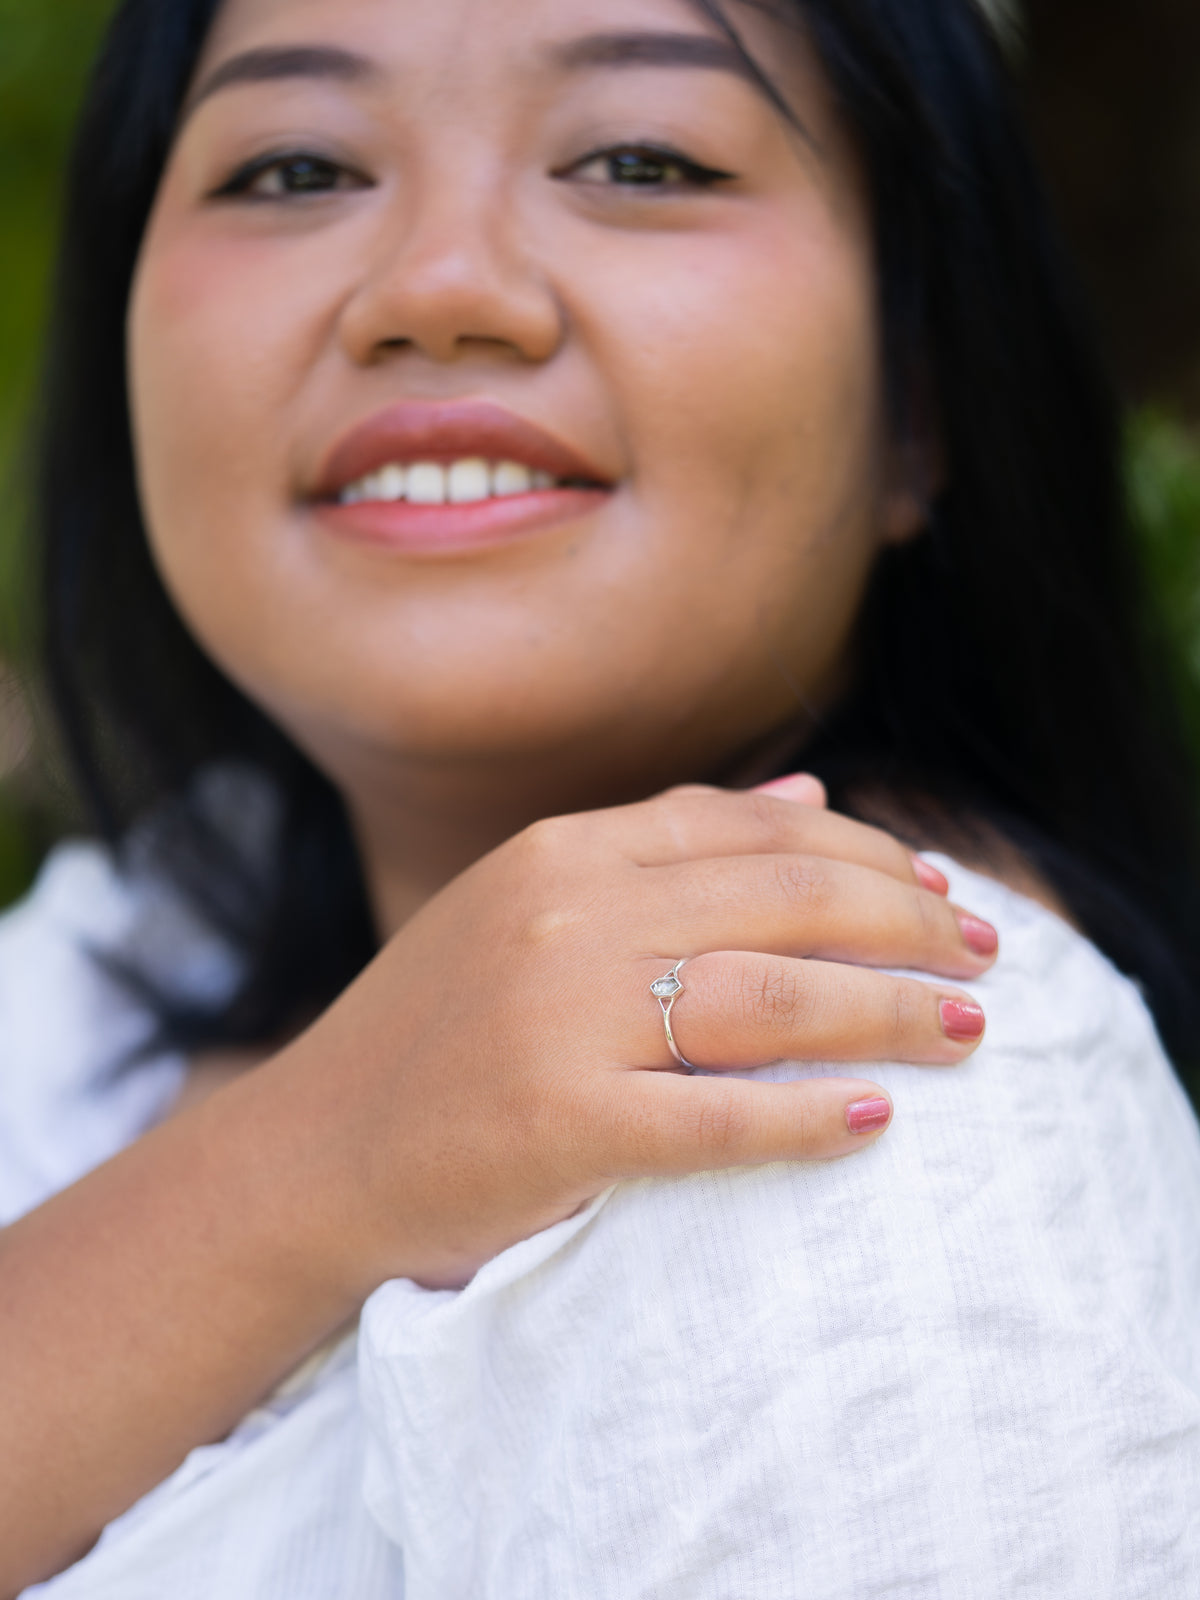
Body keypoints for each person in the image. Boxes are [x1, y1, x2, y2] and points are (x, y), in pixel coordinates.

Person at [3, 0, 1199, 1594]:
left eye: (640, 157)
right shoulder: (119, 955)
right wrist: (319, 1150)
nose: (437, 288)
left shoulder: (851, 1100)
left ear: (920, 403)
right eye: (294, 168)